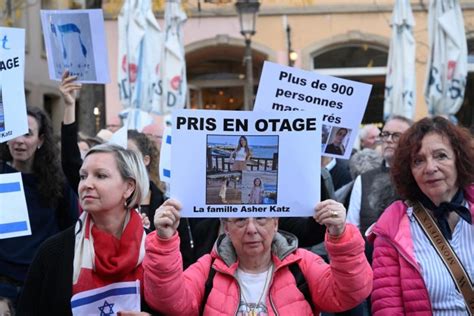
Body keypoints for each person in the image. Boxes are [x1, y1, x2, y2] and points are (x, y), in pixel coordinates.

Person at [143, 199, 373, 315]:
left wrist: (341, 235)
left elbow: (351, 293)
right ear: (226, 227)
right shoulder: (208, 268)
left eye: (261, 218)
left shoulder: (303, 263)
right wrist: (164, 241)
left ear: (276, 223)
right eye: (240, 220)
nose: (251, 229)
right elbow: (168, 301)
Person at [17, 144, 154, 315]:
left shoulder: (154, 250)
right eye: (83, 176)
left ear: (128, 187)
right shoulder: (54, 252)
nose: (87, 184)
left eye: (100, 176)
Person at [369, 116, 474, 315]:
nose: (430, 168)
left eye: (441, 156)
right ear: (409, 171)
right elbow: (387, 310)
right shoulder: (391, 230)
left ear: (459, 159)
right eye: (418, 161)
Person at [0, 106, 78, 305]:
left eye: (27, 133)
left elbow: (69, 228)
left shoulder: (57, 182)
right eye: (14, 133)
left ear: (41, 140)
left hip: (43, 286)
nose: (20, 140)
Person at [346, 115, 412, 236]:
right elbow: (351, 230)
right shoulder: (364, 180)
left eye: (397, 136)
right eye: (385, 134)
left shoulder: (420, 179)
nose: (388, 139)